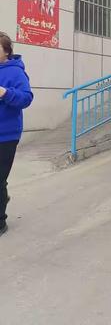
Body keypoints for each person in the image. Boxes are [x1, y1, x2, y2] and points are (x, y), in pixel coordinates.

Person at [0, 32, 33, 236]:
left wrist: (5, 93)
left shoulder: (15, 72)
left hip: (6, 135)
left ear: (6, 51)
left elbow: (26, 98)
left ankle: (0, 222)